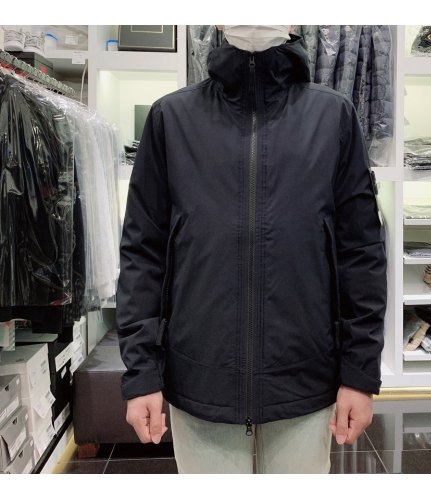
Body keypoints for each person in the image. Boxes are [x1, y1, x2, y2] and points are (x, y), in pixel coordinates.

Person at [116, 25, 387, 474]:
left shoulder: (333, 117)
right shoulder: (171, 118)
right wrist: (141, 373)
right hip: (200, 379)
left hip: (305, 378)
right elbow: (143, 253)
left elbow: (361, 254)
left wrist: (359, 376)